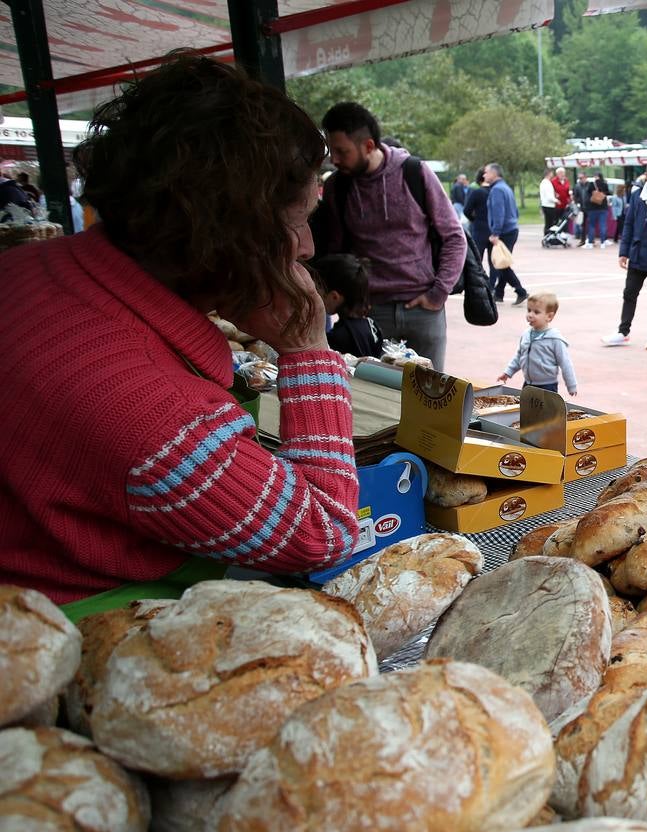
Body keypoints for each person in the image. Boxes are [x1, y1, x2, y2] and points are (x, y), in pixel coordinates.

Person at [0, 56, 360, 604]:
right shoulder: (162, 426)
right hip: (81, 644)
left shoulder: (23, 269)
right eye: (298, 220)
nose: (309, 247)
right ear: (230, 233)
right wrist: (307, 350)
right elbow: (325, 533)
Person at [319, 102, 466, 372]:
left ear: (368, 145)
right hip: (370, 312)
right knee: (377, 398)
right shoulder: (336, 187)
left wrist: (438, 293)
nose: (335, 161)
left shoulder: (414, 172)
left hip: (424, 309)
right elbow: (336, 252)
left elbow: (454, 237)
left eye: (342, 151)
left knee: (430, 398)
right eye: (332, 152)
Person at [605, 161, 647, 349]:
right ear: (646, 176)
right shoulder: (636, 196)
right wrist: (623, 252)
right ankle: (623, 332)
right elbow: (629, 224)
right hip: (638, 254)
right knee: (629, 293)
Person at [498, 292, 577, 396]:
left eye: (536, 312)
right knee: (527, 409)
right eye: (529, 310)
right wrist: (508, 372)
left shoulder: (555, 339)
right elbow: (519, 356)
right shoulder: (526, 335)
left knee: (546, 411)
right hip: (528, 384)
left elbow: (565, 363)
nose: (530, 315)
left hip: (547, 386)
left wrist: (571, 386)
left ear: (549, 316)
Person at [313, 254, 380, 358]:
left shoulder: (337, 337)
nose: (315, 297)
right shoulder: (372, 326)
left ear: (334, 297)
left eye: (317, 291)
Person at [483, 163, 528, 307]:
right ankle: (499, 293)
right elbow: (515, 210)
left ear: (494, 173)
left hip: (504, 231)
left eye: (486, 172)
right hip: (511, 228)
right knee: (503, 262)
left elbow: (498, 212)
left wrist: (496, 233)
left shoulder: (497, 190)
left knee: (501, 264)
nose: (484, 175)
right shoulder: (505, 187)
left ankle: (520, 290)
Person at [462, 168, 492, 260]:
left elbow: (466, 210)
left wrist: (473, 219)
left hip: (479, 227)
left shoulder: (476, 192)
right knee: (494, 261)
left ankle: (479, 274)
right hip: (493, 228)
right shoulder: (495, 191)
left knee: (477, 259)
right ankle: (494, 275)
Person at [583, 169, 611, 248]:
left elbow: (588, 193)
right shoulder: (605, 184)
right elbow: (608, 193)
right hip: (603, 207)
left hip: (592, 208)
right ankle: (602, 242)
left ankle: (591, 243)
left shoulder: (592, 184)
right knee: (603, 225)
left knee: (592, 225)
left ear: (596, 177)